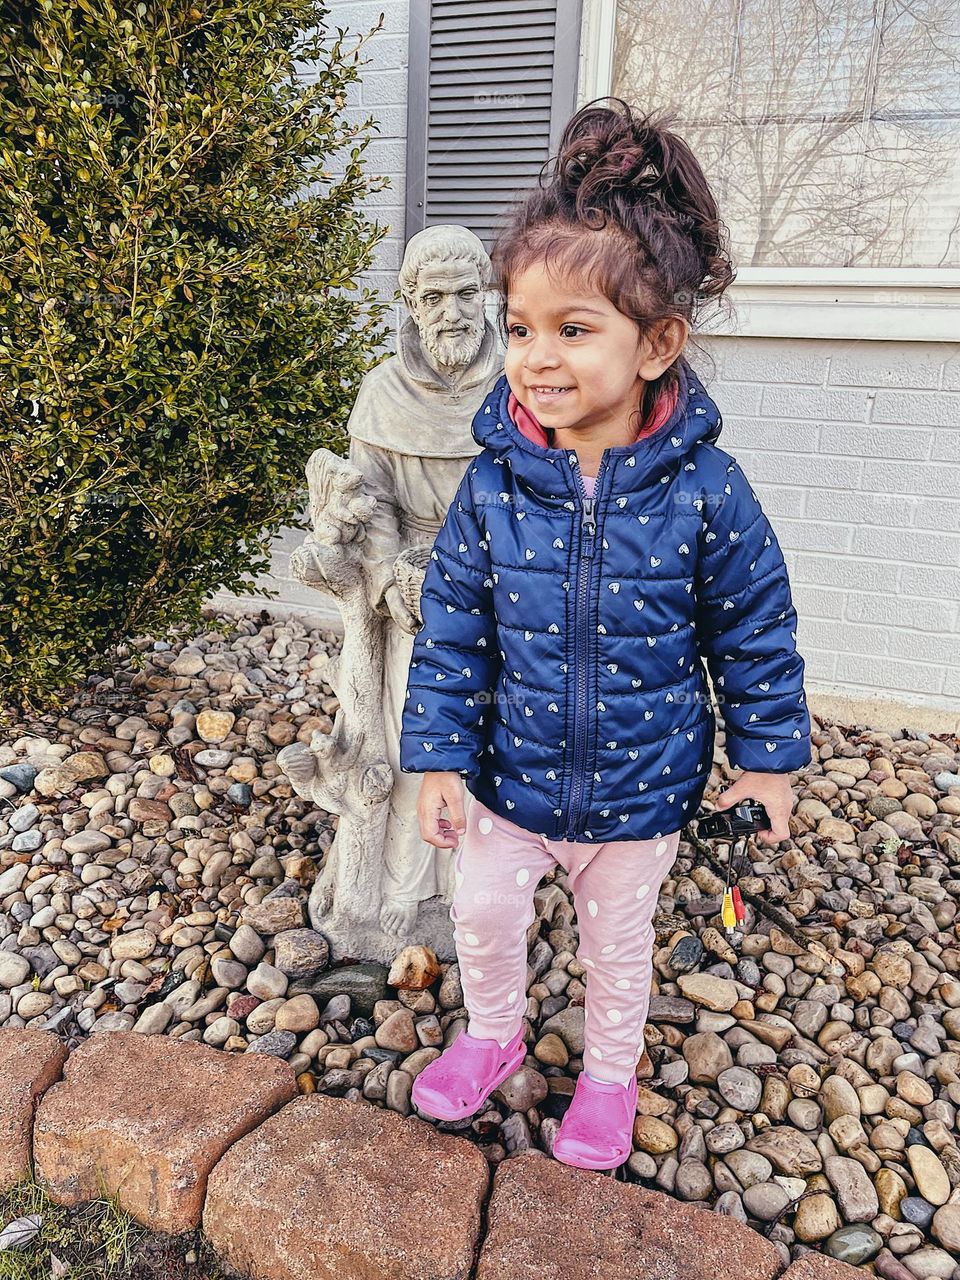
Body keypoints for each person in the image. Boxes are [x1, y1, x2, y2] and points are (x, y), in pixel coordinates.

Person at [398, 97, 812, 1171]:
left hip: (640, 789)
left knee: (617, 947)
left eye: (573, 330)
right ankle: (493, 1034)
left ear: (657, 342)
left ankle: (609, 1079)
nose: (536, 357)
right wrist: (439, 757)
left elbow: (756, 630)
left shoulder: (709, 492)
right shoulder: (493, 488)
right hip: (511, 777)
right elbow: (452, 630)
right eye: (521, 327)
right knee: (483, 916)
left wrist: (769, 762)